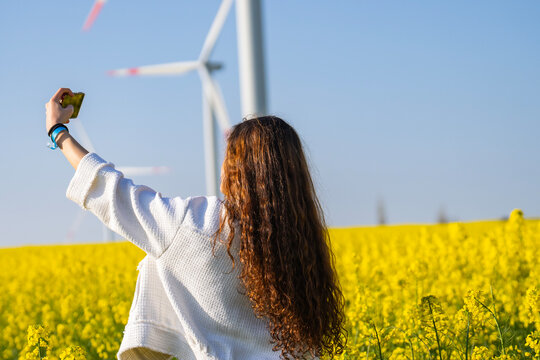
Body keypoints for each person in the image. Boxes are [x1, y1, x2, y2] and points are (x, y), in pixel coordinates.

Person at [45, 88, 347, 360]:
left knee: (160, 257)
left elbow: (112, 191)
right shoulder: (300, 241)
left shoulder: (200, 223)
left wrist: (58, 131)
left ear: (235, 170)